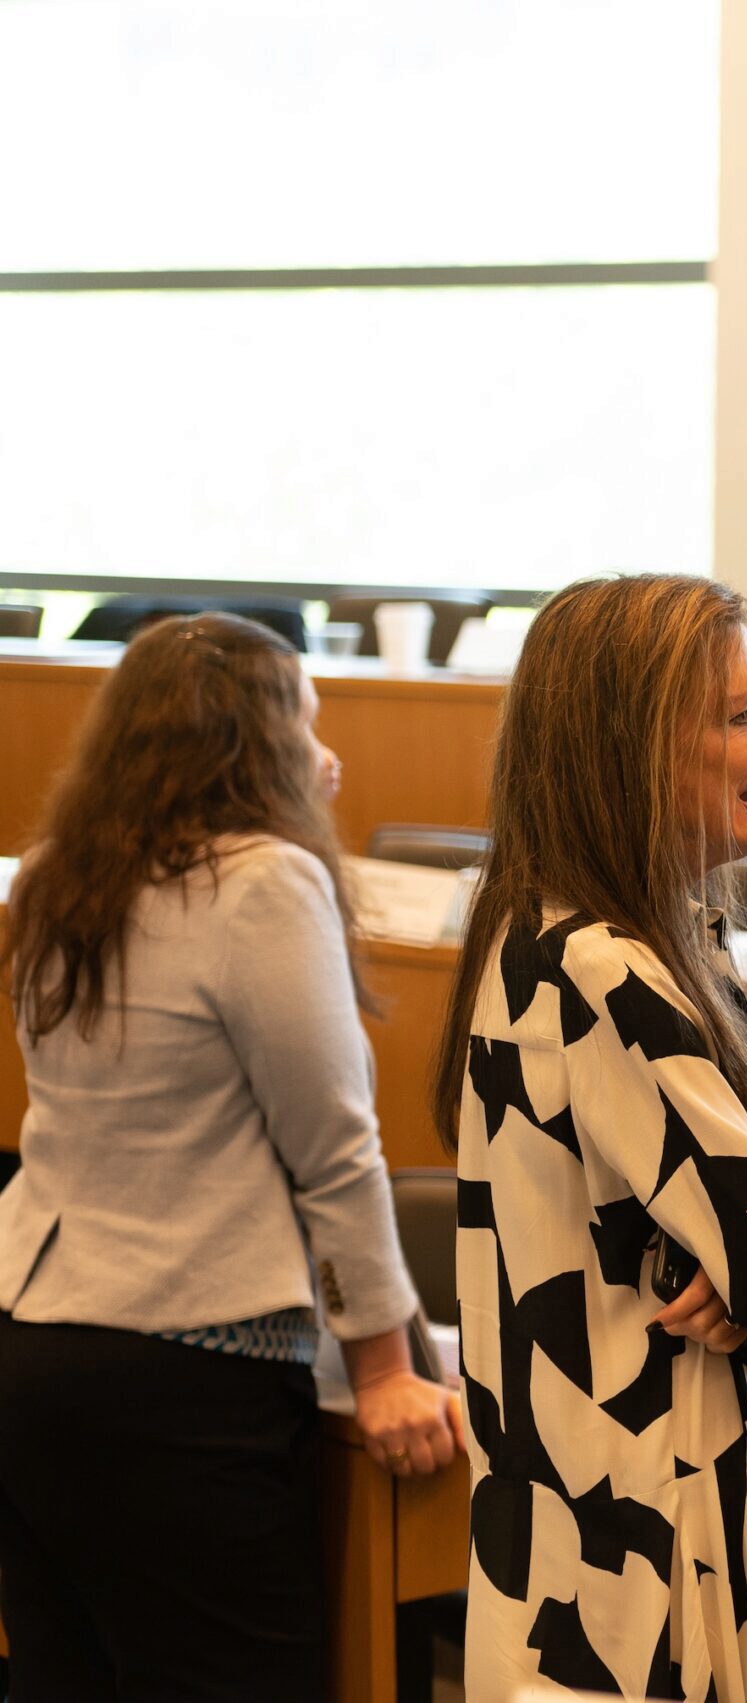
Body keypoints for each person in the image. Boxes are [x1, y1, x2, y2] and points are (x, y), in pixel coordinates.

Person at [433, 574, 747, 1702]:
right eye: (740, 715)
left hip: (636, 1526)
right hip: (638, 1556)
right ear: (627, 748)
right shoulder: (601, 967)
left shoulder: (635, 932)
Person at [0, 614, 458, 1701]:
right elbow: (335, 1148)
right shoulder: (263, 882)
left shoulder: (60, 872)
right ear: (250, 743)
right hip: (179, 1375)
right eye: (307, 721)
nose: (328, 757)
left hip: (29, 1346)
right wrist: (389, 1369)